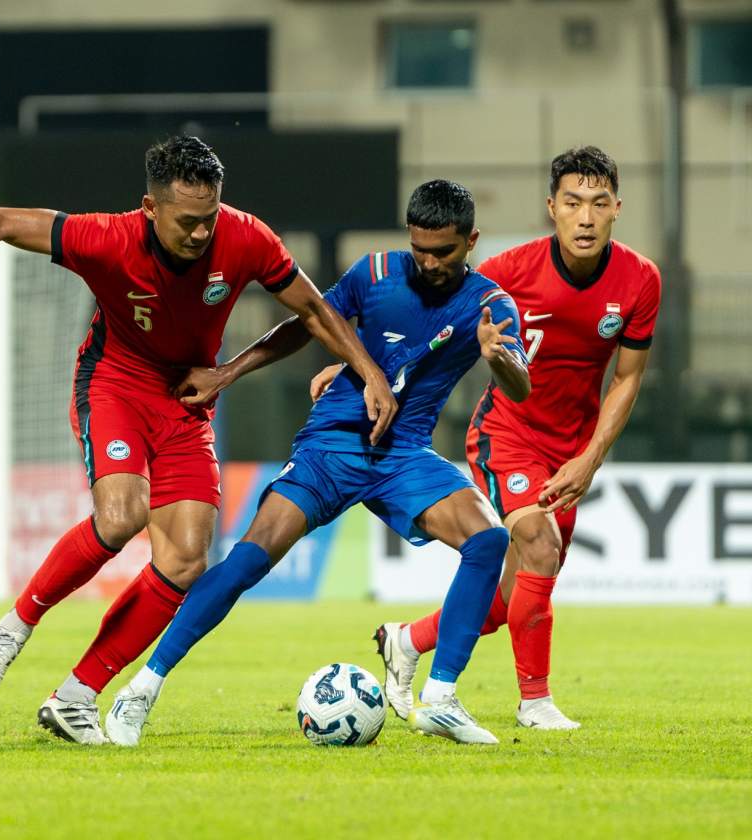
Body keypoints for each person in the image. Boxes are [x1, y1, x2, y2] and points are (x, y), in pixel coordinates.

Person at [0, 136, 396, 744]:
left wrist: (368, 373)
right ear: (150, 208)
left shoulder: (246, 237)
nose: (201, 233)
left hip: (186, 400)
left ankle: (76, 695)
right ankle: (15, 626)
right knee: (121, 517)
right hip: (115, 383)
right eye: (187, 221)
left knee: (186, 559)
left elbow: (314, 311)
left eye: (209, 217)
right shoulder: (106, 237)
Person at [105, 179, 530, 747]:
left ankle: (441, 698)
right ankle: (141, 689)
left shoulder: (491, 308)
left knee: (489, 539)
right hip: (332, 444)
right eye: (420, 249)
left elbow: (520, 386)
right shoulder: (374, 273)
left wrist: (498, 359)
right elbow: (307, 321)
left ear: (471, 241)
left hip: (402, 455)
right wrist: (227, 372)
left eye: (444, 252)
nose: (429, 262)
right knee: (247, 559)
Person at [374, 146, 661, 731]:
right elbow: (428, 322)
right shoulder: (507, 272)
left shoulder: (640, 280)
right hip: (506, 432)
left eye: (599, 204)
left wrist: (590, 459)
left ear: (617, 209)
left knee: (511, 598)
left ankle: (407, 640)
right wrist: (363, 368)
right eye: (573, 203)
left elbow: (627, 378)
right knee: (537, 541)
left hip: (572, 449)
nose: (585, 218)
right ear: (551, 207)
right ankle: (535, 703)